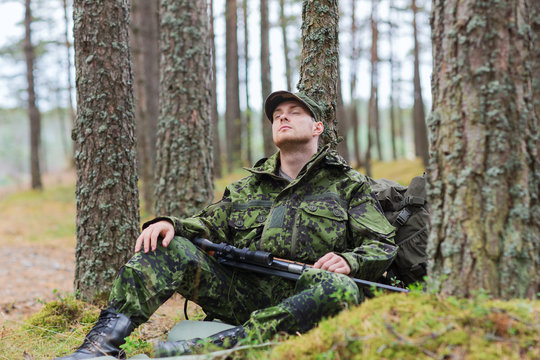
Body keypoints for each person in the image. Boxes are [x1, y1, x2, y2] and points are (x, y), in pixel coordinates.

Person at [55, 90, 397, 359]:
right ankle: (98, 349)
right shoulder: (246, 188)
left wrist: (350, 261)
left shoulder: (347, 185)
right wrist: (169, 223)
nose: (283, 119)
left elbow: (382, 244)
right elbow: (206, 225)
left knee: (342, 290)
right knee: (168, 244)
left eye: (294, 114)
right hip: (243, 295)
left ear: (317, 127)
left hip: (307, 299)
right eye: (277, 116)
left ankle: (210, 349)